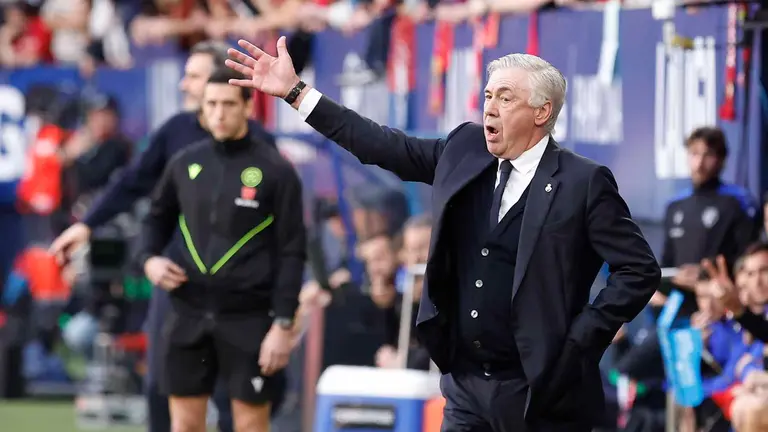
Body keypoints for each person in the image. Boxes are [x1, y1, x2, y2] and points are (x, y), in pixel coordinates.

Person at [226, 37, 661, 431]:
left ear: (541, 112)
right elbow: (380, 144)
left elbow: (638, 269)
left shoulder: (583, 182)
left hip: (541, 393)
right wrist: (296, 93)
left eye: (506, 99)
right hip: (465, 386)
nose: (490, 108)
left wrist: (583, 336)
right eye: (488, 96)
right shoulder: (464, 148)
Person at [48, 41, 276, 432]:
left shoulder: (261, 147)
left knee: (234, 395)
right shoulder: (176, 133)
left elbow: (280, 229)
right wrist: (92, 227)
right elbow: (137, 188)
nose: (185, 85)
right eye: (186, 76)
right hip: (177, 284)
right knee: (162, 387)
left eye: (194, 76)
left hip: (237, 294)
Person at [138, 68, 305, 432]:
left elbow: (293, 252)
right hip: (188, 313)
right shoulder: (183, 162)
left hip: (249, 319)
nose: (218, 113)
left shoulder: (276, 170)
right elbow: (154, 221)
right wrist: (149, 261)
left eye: (228, 104)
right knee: (184, 425)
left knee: (248, 424)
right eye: (210, 104)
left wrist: (282, 323)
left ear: (248, 106)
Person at [658, 126, 759, 317]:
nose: (699, 163)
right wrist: (669, 281)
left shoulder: (738, 203)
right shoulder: (675, 206)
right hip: (678, 309)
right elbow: (666, 263)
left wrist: (703, 276)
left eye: (708, 155)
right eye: (694, 154)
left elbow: (746, 262)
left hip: (720, 309)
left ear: (721, 160)